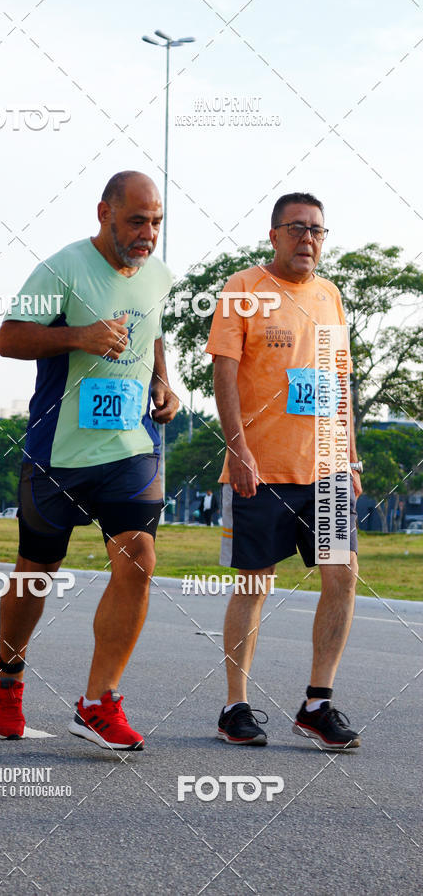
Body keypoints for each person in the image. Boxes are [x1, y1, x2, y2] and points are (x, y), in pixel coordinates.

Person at [0, 170, 179, 750]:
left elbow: (151, 334)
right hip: (59, 452)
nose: (148, 234)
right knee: (36, 571)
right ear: (105, 213)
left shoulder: (159, 277)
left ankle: (98, 701)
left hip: (130, 447)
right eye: (137, 221)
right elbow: (9, 338)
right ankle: (9, 673)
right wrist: (78, 336)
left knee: (139, 558)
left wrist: (164, 383)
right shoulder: (62, 269)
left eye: (156, 222)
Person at [206, 192, 363, 750]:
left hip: (325, 468)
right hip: (262, 469)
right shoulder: (243, 289)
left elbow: (339, 381)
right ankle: (235, 705)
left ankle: (317, 703)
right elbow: (224, 372)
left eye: (318, 230)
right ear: (273, 235)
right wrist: (238, 449)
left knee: (342, 577)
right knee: (254, 583)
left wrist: (347, 453)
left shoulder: (330, 297)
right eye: (297, 228)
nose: (308, 239)